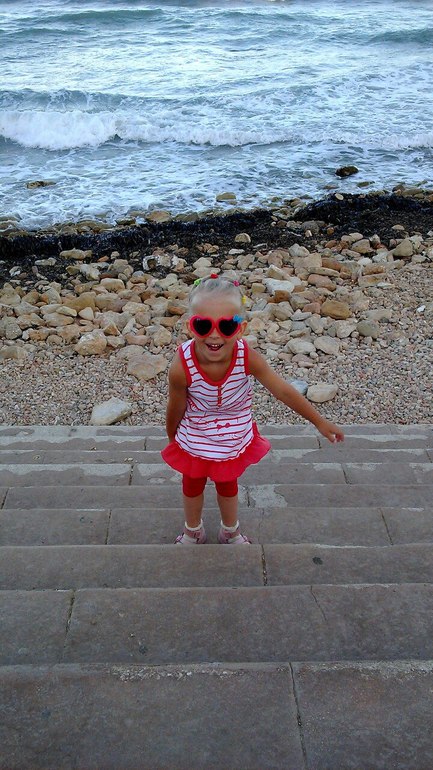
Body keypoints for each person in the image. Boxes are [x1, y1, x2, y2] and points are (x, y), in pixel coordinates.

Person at [161, 274, 344, 545]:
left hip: (233, 432)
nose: (214, 335)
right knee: (191, 483)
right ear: (191, 326)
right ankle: (193, 530)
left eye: (226, 326)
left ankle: (230, 530)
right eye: (203, 325)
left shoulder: (247, 357)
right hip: (195, 431)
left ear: (241, 328)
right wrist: (172, 437)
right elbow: (175, 405)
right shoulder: (181, 366)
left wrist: (319, 421)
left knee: (227, 483)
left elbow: (282, 390)